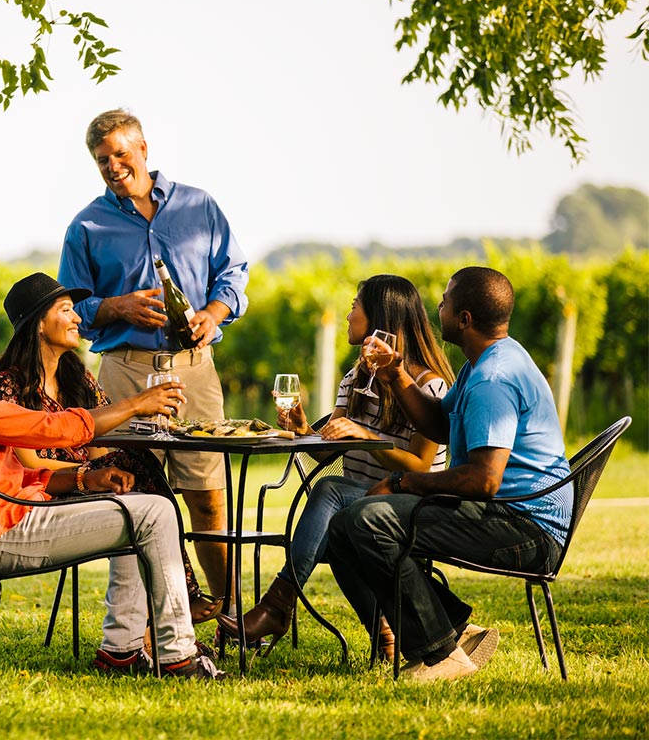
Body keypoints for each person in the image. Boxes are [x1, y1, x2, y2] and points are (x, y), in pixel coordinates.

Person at [0, 291, 225, 678]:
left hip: (9, 518)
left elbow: (11, 471)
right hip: (6, 531)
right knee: (155, 511)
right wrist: (137, 404)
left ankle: (121, 651)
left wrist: (82, 477)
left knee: (134, 503)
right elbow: (46, 428)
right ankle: (177, 655)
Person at [325, 266, 572, 682]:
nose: (436, 306)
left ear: (465, 319)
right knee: (344, 527)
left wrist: (403, 482)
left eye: (445, 300)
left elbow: (484, 480)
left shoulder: (493, 378)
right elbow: (438, 426)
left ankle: (441, 655)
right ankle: (453, 631)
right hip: (504, 512)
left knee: (367, 521)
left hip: (524, 526)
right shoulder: (484, 362)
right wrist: (395, 373)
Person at [58, 108, 250, 610]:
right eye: (103, 160)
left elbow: (234, 273)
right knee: (133, 496)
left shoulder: (199, 206)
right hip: (124, 370)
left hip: (194, 370)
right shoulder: (86, 226)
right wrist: (115, 307)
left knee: (208, 493)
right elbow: (70, 307)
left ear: (143, 149)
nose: (113, 166)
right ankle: (147, 620)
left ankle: (227, 611)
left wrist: (213, 312)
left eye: (120, 154)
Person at [216, 274, 454, 659]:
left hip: (411, 505)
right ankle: (384, 634)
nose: (347, 314)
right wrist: (304, 430)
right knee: (337, 517)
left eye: (354, 306)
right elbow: (328, 453)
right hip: (359, 509)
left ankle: (278, 606)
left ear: (379, 317)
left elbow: (421, 468)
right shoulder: (355, 377)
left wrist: (365, 437)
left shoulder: (428, 387)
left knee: (330, 493)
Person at [0, 271, 223, 624]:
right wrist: (91, 474)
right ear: (37, 325)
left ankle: (166, 613)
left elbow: (99, 443)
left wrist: (111, 468)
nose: (78, 317)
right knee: (143, 487)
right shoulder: (8, 385)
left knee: (141, 467)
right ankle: (177, 603)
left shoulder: (75, 376)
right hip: (44, 493)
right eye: (66, 310)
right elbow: (29, 463)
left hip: (88, 483)